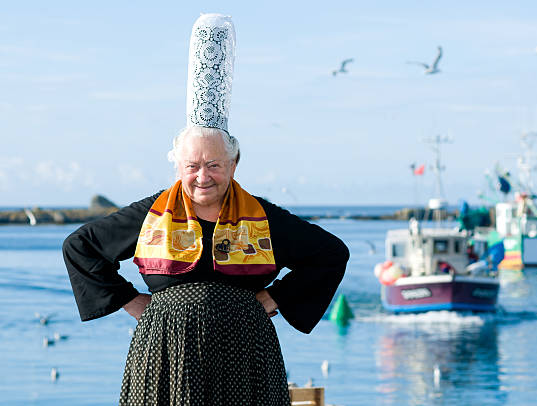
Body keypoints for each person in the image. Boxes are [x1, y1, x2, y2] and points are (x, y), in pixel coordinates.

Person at [62, 14, 349, 406]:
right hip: (166, 351)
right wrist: (133, 301)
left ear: (233, 165)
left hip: (246, 353)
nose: (202, 176)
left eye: (214, 165)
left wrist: (275, 298)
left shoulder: (262, 217)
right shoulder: (152, 213)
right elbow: (80, 247)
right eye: (191, 166)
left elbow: (331, 255)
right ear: (178, 166)